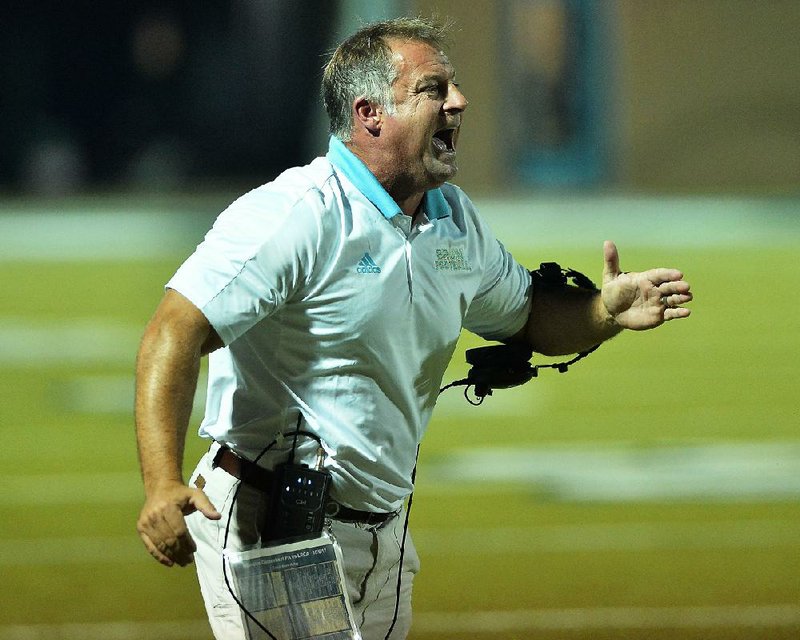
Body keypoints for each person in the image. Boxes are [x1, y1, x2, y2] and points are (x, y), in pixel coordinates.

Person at [134, 16, 692, 640]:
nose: (459, 101)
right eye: (434, 89)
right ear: (370, 113)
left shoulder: (452, 220)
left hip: (384, 532)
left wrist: (601, 314)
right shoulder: (296, 215)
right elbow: (173, 331)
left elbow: (527, 316)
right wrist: (161, 484)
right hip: (276, 526)